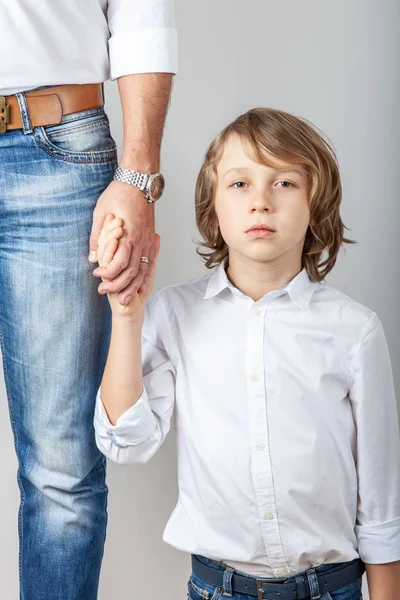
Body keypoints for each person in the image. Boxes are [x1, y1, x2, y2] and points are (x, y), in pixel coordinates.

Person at [94, 108, 400, 600]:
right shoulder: (174, 313)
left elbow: (382, 503)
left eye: (284, 183)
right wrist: (127, 318)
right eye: (239, 184)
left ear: (316, 207)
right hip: (219, 589)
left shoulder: (354, 331)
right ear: (212, 208)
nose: (260, 202)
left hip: (332, 588)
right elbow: (126, 444)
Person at [0, 1, 176, 598]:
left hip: (54, 149)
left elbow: (140, 13)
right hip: (51, 148)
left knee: (62, 471)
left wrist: (138, 175)